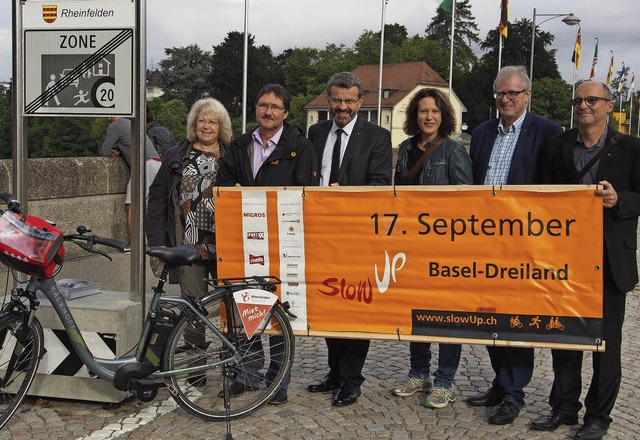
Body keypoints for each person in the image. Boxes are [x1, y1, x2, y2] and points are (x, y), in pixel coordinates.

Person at [531, 81, 640, 440]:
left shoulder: (631, 147)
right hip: (566, 260)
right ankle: (563, 407)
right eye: (578, 100)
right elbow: (541, 196)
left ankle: (598, 417)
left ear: (610, 105)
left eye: (592, 100)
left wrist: (619, 200)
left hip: (609, 262)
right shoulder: (557, 146)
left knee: (605, 345)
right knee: (565, 340)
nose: (584, 105)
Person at [467, 65, 562, 424]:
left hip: (523, 245)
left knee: (517, 319)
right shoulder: (481, 132)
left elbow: (554, 191)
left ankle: (514, 393)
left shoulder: (548, 133)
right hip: (483, 242)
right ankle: (499, 382)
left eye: (512, 93)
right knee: (489, 313)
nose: (505, 99)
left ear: (527, 95)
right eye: (500, 94)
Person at [216, 84, 319, 405]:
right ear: (256, 109)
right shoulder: (239, 145)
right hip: (242, 239)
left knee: (279, 312)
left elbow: (307, 193)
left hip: (283, 240)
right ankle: (246, 374)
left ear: (286, 113)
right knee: (241, 305)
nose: (268, 111)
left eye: (275, 107)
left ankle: (277, 380)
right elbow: (223, 185)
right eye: (263, 106)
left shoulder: (300, 147)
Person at [306, 71, 392, 407]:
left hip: (357, 238)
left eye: (349, 101)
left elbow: (382, 184)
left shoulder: (377, 136)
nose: (343, 106)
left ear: (360, 101)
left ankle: (352, 380)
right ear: (329, 100)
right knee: (326, 304)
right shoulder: (315, 132)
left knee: (355, 308)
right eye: (337, 100)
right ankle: (334, 373)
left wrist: (347, 195)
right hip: (320, 236)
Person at [391, 88, 472, 409]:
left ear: (444, 116)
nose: (429, 116)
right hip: (412, 246)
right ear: (415, 116)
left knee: (449, 315)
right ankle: (419, 372)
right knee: (417, 311)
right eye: (423, 111)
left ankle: (446, 381)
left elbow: (468, 200)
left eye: (435, 112)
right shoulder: (406, 149)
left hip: (446, 248)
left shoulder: (453, 151)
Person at [146, 98, 233, 385]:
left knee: (231, 307)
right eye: (201, 120)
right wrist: (160, 246)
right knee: (192, 310)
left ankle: (233, 364)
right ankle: (197, 368)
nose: (206, 126)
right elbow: (157, 201)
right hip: (187, 248)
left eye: (212, 121)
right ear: (193, 125)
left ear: (222, 127)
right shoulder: (175, 156)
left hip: (227, 246)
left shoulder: (233, 155)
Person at [101, 116, 161, 247]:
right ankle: (147, 240)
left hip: (143, 165)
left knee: (132, 206)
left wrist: (112, 152)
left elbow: (104, 151)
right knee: (146, 205)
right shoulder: (132, 122)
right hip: (156, 163)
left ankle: (137, 243)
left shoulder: (114, 126)